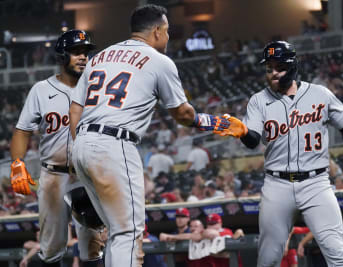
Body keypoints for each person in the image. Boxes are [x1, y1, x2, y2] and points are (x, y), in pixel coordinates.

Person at [68, 5, 230, 267]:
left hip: (83, 142)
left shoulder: (99, 57)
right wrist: (213, 121)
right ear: (156, 30)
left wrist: (78, 150)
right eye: (166, 31)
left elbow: (75, 109)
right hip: (115, 144)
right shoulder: (158, 60)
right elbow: (183, 115)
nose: (167, 37)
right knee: (128, 232)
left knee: (113, 229)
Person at [215, 41, 343, 267]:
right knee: (268, 259)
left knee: (337, 253)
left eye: (278, 67)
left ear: (292, 66)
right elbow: (252, 140)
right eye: (269, 69)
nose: (273, 73)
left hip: (316, 183)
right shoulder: (259, 100)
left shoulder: (320, 94)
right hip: (277, 186)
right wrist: (243, 132)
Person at [9, 30, 103, 267]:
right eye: (76, 52)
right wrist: (17, 163)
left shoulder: (99, 89)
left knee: (93, 247)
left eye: (86, 52)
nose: (83, 57)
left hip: (88, 173)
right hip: (54, 175)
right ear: (62, 56)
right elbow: (22, 131)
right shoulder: (41, 90)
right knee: (51, 248)